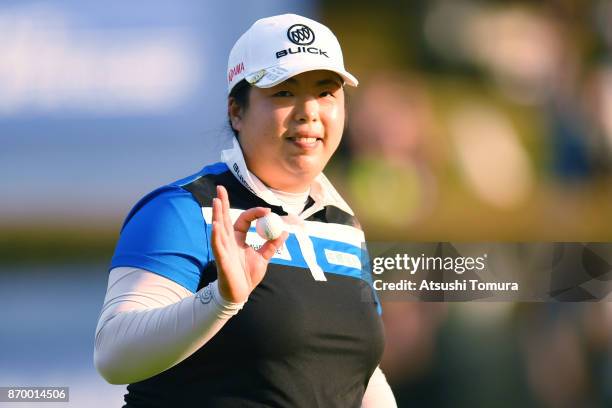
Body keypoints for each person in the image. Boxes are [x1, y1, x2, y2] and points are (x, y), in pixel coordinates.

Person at [94, 13, 397, 407]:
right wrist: (221, 300)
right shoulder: (186, 210)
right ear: (236, 111)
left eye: (325, 92)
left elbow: (360, 375)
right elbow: (113, 357)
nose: (309, 111)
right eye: (284, 93)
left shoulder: (343, 225)